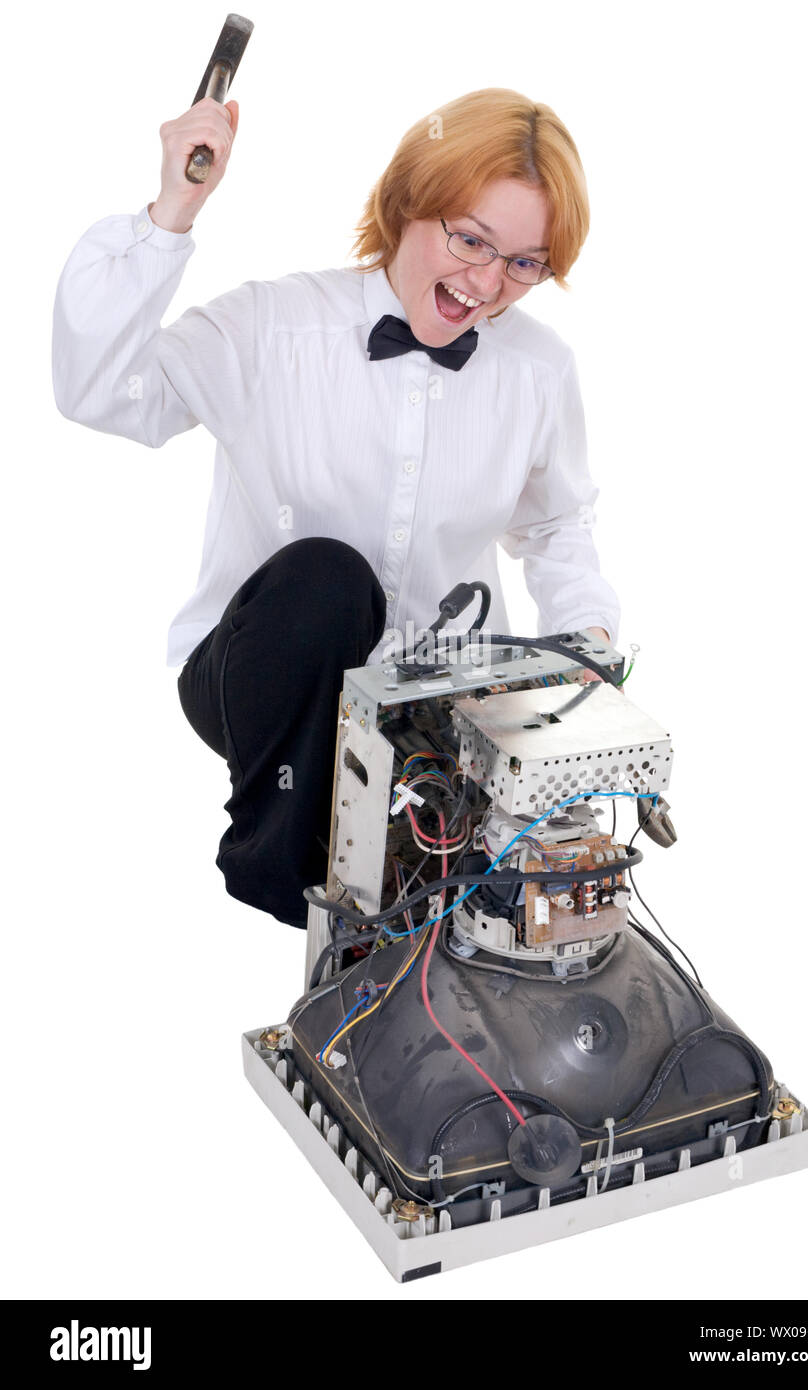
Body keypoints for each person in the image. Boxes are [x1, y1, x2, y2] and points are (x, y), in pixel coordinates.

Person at [52, 87, 621, 930]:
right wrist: (171, 212)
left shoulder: (538, 371)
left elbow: (555, 524)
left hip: (432, 705)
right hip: (265, 682)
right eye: (471, 240)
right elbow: (99, 391)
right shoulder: (273, 326)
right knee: (329, 576)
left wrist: (590, 643)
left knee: (521, 901)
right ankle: (300, 889)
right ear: (405, 207)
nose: (487, 282)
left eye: (524, 264)